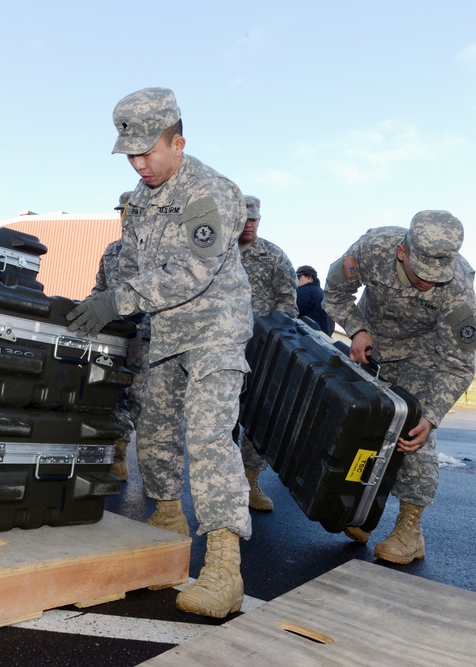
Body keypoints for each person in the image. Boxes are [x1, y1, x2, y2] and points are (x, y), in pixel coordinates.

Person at [67, 87, 253, 619]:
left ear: (179, 142)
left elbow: (194, 272)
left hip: (215, 326)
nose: (139, 163)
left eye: (149, 151)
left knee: (210, 435)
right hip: (164, 331)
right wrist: (99, 305)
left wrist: (118, 301)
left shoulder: (209, 192)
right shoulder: (141, 200)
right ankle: (169, 514)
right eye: (130, 153)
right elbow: (131, 264)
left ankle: (224, 563)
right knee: (153, 427)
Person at [323, 211, 476, 565]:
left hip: (422, 355)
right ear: (401, 252)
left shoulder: (456, 286)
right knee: (364, 429)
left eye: (436, 276)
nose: (429, 283)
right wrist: (356, 328)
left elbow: (460, 362)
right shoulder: (372, 248)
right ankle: (362, 513)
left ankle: (410, 530)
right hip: (370, 346)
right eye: (421, 273)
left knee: (413, 431)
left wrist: (433, 416)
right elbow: (334, 293)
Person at [235, 195, 297, 512]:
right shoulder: (217, 253)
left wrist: (274, 340)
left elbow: (288, 304)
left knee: (259, 417)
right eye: (244, 218)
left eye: (254, 219)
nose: (249, 224)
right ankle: (223, 482)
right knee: (221, 418)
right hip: (222, 349)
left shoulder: (273, 256)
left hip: (261, 351)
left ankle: (250, 480)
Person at [89, 191, 145, 481]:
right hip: (112, 337)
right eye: (122, 212)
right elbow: (99, 289)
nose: (126, 217)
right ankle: (117, 454)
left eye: (132, 211)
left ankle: (144, 465)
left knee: (138, 399)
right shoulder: (111, 250)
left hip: (144, 337)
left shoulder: (157, 251)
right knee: (111, 394)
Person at [295, 265, 335, 336]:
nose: (295, 280)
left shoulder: (304, 291)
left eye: (298, 277)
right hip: (322, 342)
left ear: (309, 278)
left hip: (302, 337)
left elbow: (289, 311)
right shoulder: (326, 297)